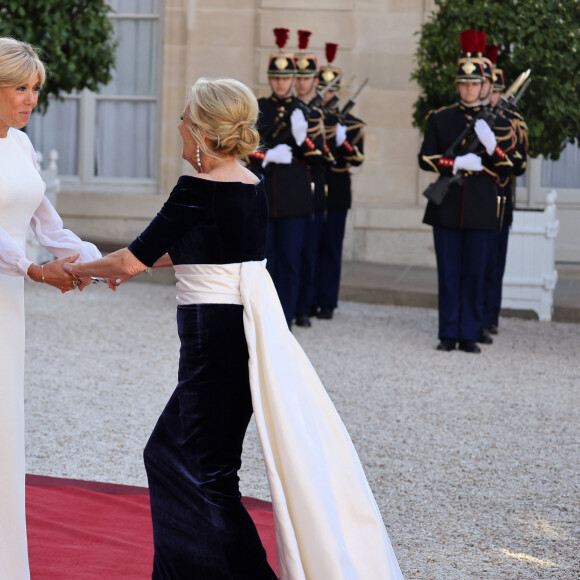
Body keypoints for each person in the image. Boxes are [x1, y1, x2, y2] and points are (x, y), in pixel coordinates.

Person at [65, 77, 404, 579]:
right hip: (237, 333)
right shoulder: (248, 182)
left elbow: (131, 259)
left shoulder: (196, 188)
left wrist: (73, 269)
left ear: (200, 133)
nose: (177, 126)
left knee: (192, 467)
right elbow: (201, 249)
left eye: (184, 118)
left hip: (212, 339)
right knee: (199, 464)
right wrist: (122, 265)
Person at [0, 37, 102, 580]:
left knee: (4, 422)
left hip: (7, 302)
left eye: (36, 88)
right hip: (10, 280)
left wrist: (96, 264)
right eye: (20, 87)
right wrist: (36, 271)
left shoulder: (21, 145)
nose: (31, 99)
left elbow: (48, 224)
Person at [419, 29, 515, 354]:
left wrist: (492, 147)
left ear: (484, 85)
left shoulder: (498, 123)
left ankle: (470, 334)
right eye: (464, 83)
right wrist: (455, 163)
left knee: (474, 273)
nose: (469, 88)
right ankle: (448, 333)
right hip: (447, 203)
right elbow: (425, 158)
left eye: (474, 84)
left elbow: (509, 168)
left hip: (480, 206)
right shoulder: (441, 118)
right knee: (449, 274)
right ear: (458, 85)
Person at [248, 28, 323, 329]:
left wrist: (302, 139)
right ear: (270, 79)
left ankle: (287, 317)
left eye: (285, 78)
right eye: (275, 78)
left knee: (292, 261)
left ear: (294, 80)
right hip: (263, 196)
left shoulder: (304, 112)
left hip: (294, 197)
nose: (280, 82)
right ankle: (265, 318)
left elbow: (319, 158)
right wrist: (265, 157)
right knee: (265, 262)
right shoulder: (258, 109)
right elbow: (243, 149)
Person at [314, 43, 365, 321]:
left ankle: (327, 301)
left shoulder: (352, 123)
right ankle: (308, 298)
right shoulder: (313, 118)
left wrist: (343, 142)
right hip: (312, 188)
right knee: (310, 246)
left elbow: (357, 158)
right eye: (323, 90)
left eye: (332, 90)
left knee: (332, 247)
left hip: (337, 189)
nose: (328, 96)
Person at [482, 44, 529, 336]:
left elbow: (519, 164)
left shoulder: (514, 124)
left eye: (497, 91)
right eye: (491, 90)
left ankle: (490, 316)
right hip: (473, 198)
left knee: (494, 263)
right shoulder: (474, 120)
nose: (494, 96)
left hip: (500, 199)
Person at [293, 30, 334, 327]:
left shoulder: (320, 114)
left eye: (306, 78)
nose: (301, 82)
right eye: (298, 77)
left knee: (307, 251)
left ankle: (303, 306)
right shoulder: (287, 108)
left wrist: (304, 142)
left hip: (311, 186)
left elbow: (324, 154)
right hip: (283, 185)